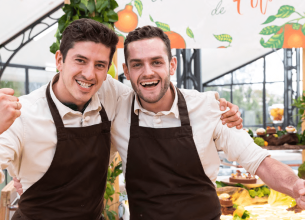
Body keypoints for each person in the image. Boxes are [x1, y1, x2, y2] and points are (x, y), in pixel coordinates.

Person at [0, 19, 242, 219]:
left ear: (109, 70)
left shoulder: (111, 93)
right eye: (80, 60)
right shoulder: (23, 113)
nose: (89, 74)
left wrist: (215, 105)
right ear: (59, 60)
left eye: (100, 65)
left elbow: (157, 94)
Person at [110, 26, 305, 219]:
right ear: (126, 71)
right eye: (137, 65)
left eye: (156, 62)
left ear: (172, 65)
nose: (147, 72)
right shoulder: (116, 108)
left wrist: (295, 186)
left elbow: (258, 160)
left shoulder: (208, 108)